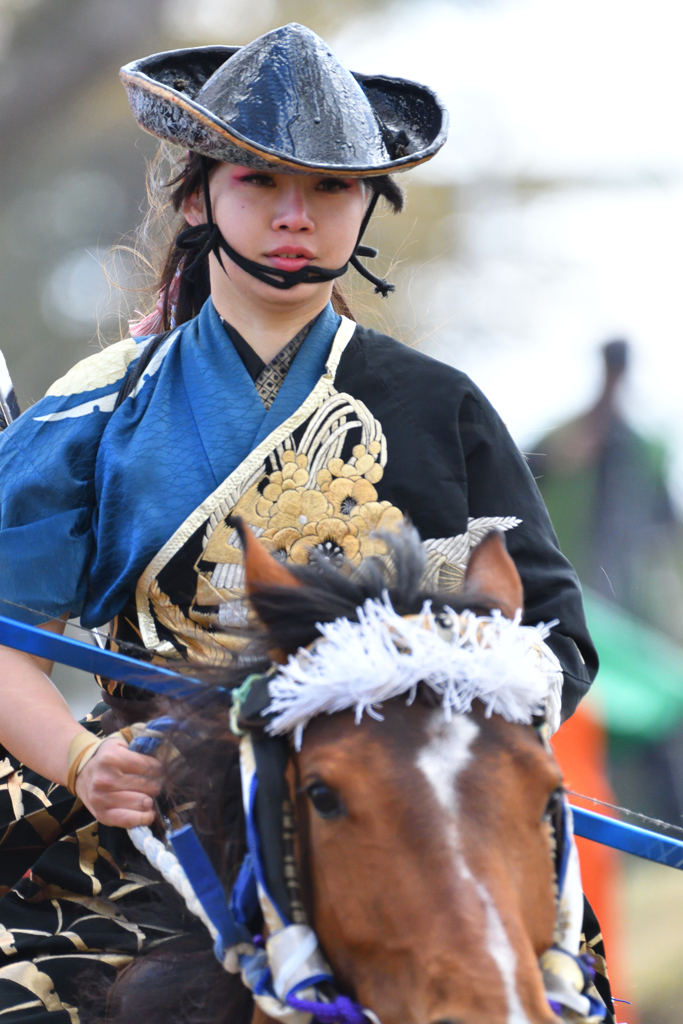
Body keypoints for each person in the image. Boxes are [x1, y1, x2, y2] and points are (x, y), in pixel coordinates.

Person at [0, 23, 600, 1020]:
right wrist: (81, 758)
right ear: (197, 196)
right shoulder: (95, 409)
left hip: (399, 831)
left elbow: (552, 645)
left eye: (328, 188)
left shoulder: (438, 407)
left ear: (365, 202)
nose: (295, 216)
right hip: (161, 832)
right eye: (257, 181)